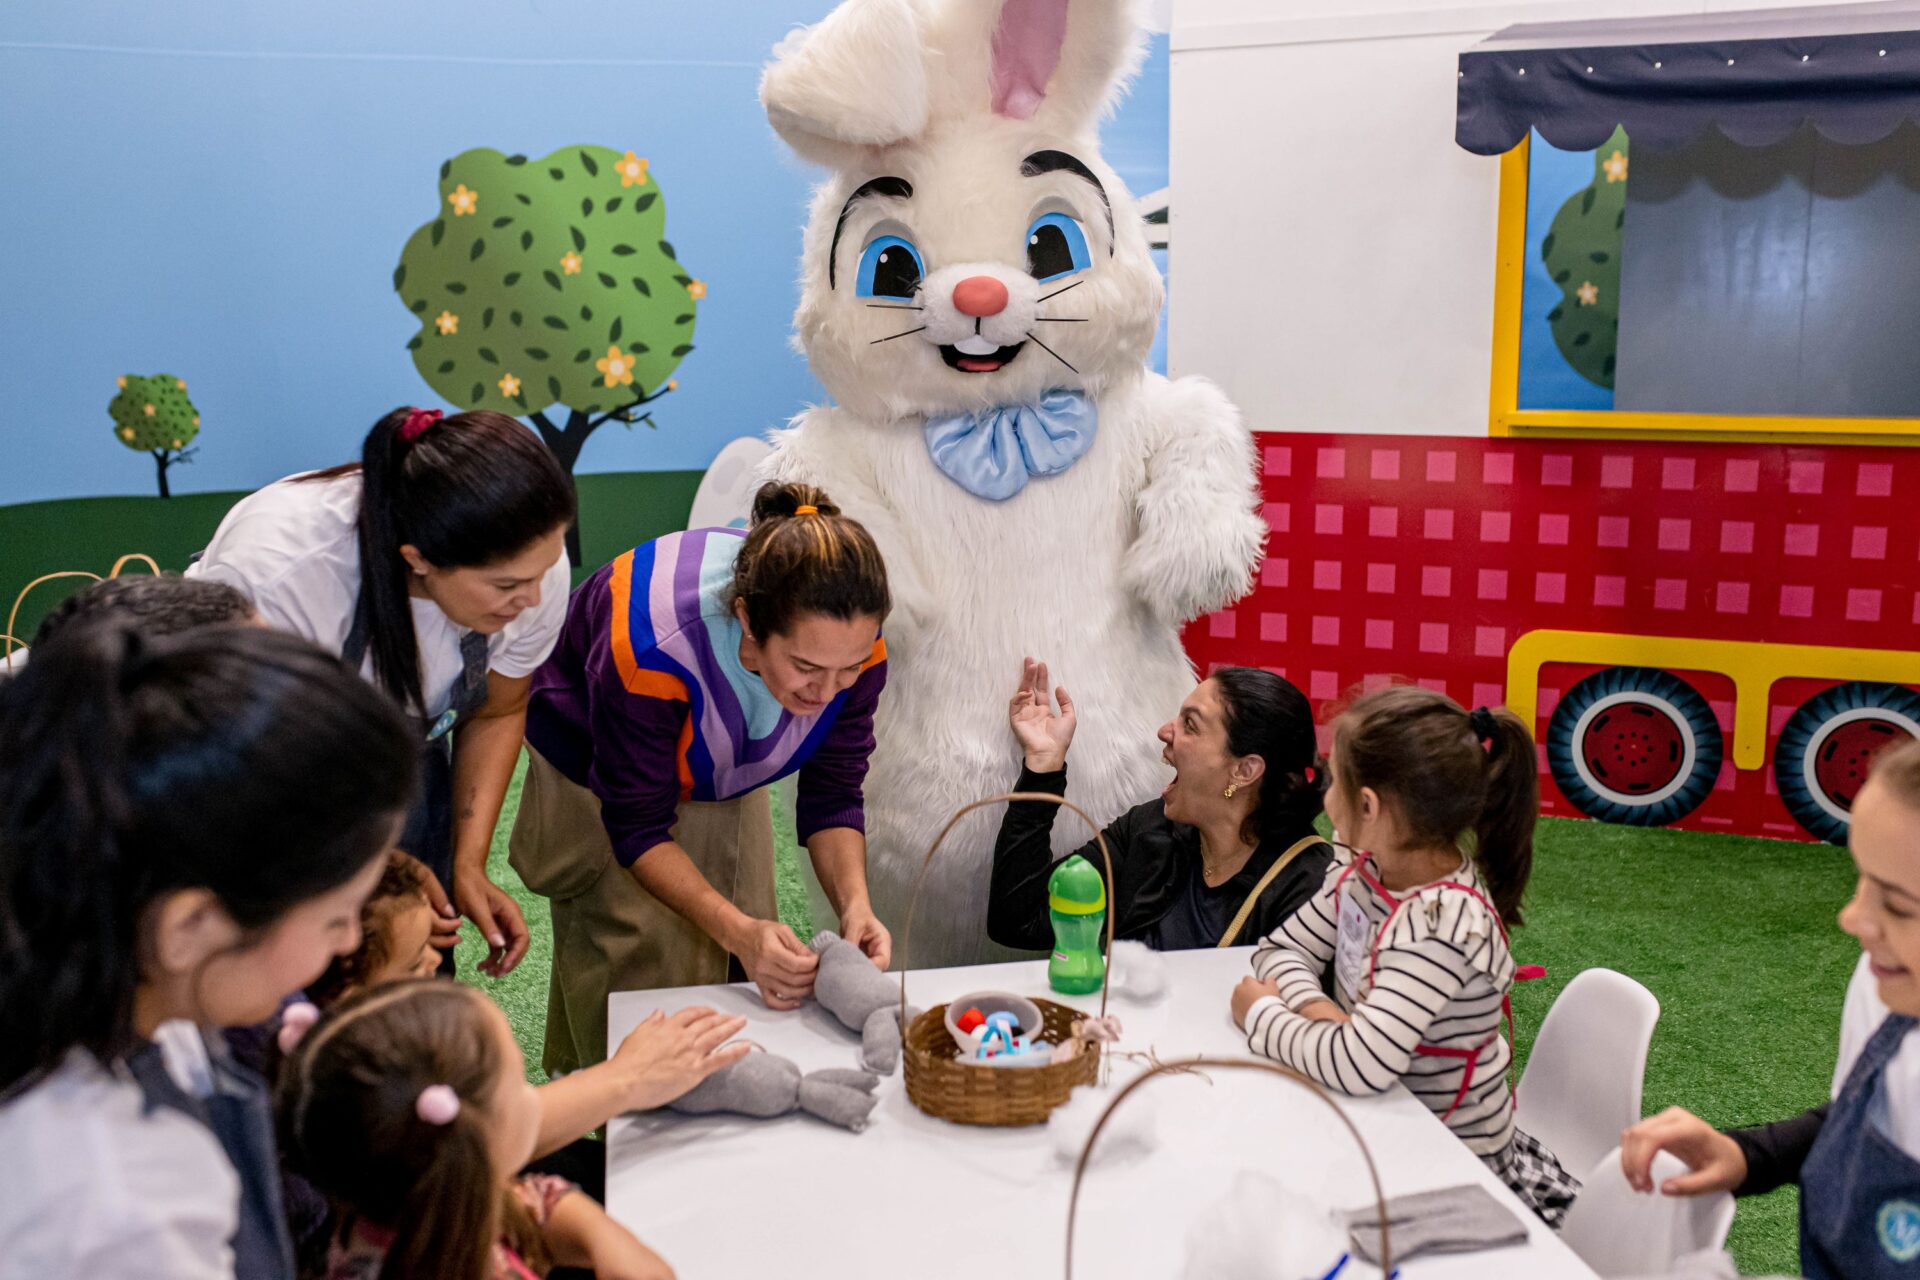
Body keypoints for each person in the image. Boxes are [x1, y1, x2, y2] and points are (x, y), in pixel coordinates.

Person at [0, 622, 417, 1278]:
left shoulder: (135, 997)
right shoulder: (115, 1208)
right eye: (338, 916)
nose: (351, 940)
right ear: (187, 927)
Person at [511, 482, 891, 1076]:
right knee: (636, 946)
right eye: (806, 668)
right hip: (593, 750)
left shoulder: (850, 648)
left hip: (716, 743)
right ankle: (613, 1110)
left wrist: (855, 904)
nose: (825, 694)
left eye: (848, 670)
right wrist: (737, 929)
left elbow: (834, 792)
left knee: (743, 931)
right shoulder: (651, 650)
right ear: (747, 620)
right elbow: (636, 828)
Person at [190, 407, 576, 977]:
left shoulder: (529, 566)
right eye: (508, 585)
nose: (534, 598)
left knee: (413, 946)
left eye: (544, 572)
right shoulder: (283, 574)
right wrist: (377, 867)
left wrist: (465, 863)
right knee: (302, 961)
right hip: (252, 764)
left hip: (396, 746)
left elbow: (499, 709)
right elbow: (257, 772)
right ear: (417, 560)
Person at [1229, 685, 1577, 1225]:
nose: (1325, 791)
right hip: (1380, 1122)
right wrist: (1321, 1013)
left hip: (1450, 1168)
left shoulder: (1441, 930)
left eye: (1335, 779)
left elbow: (1358, 1064)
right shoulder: (1364, 872)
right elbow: (1281, 949)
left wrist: (1262, 1014)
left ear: (1367, 806)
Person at [1619, 738, 1920, 1279]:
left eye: (1898, 905)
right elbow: (1869, 1115)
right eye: (1860, 877)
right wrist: (1751, 1155)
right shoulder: (1887, 981)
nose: (1852, 918)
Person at [277, 980, 675, 1280]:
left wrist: (597, 1235)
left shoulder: (407, 1214)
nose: (533, 1097)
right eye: (519, 1085)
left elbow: (528, 1204)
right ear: (470, 1144)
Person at [987, 660, 1332, 951]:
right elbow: (1018, 920)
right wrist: (1042, 767)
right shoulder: (1148, 830)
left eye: (1190, 725)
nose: (1165, 731)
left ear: (1245, 770)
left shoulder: (1310, 885)